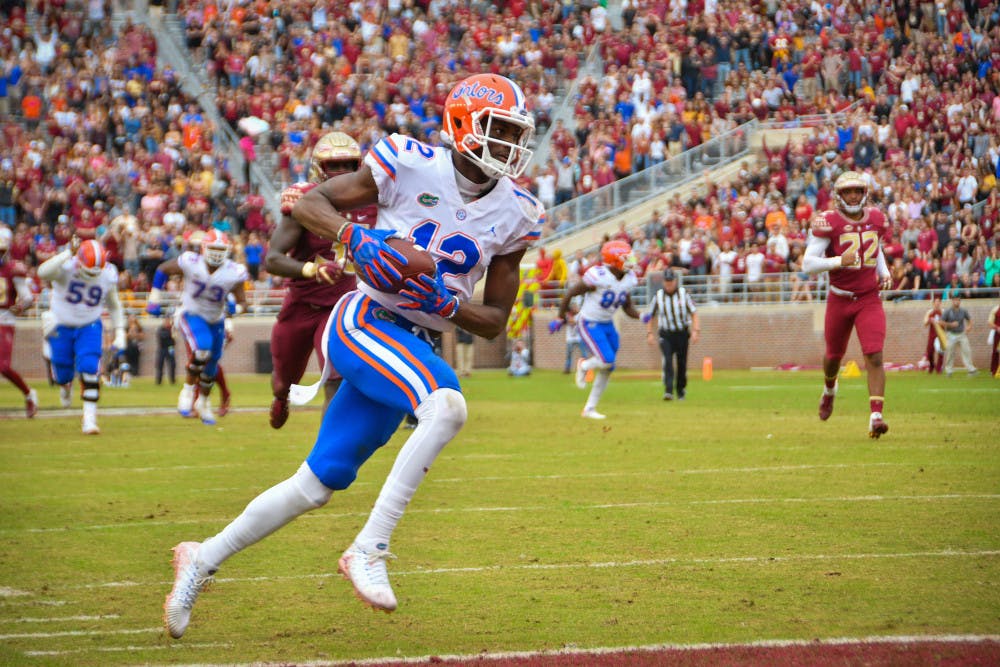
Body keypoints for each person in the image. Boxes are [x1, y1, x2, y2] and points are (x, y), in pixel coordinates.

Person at [163, 73, 542, 639]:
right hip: (363, 319)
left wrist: (448, 302)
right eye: (499, 130)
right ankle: (370, 547)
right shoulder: (409, 160)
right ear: (462, 125)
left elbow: (492, 323)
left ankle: (201, 556)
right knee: (447, 407)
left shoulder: (518, 211)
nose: (511, 145)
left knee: (320, 481)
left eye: (516, 132)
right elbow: (312, 203)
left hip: (413, 340)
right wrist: (354, 237)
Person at [264, 131, 376, 428]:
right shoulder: (303, 202)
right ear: (318, 168)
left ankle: (327, 454)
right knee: (282, 381)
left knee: (336, 380)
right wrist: (311, 270)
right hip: (301, 305)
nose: (341, 173)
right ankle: (281, 396)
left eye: (348, 165)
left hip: (341, 307)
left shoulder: (373, 204)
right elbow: (272, 259)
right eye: (333, 166)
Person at [803, 171, 893, 439]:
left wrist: (883, 271)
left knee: (875, 355)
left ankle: (876, 416)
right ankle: (830, 389)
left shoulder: (876, 218)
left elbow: (874, 248)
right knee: (833, 357)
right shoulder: (828, 221)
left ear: (864, 193)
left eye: (856, 191)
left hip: (868, 297)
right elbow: (807, 264)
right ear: (838, 195)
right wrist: (838, 261)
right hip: (839, 298)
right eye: (847, 192)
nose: (853, 196)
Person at [147, 230, 248, 425]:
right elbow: (163, 269)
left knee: (211, 366)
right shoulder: (191, 262)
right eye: (213, 249)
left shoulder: (234, 271)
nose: (217, 253)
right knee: (202, 349)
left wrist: (236, 308)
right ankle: (186, 393)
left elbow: (243, 302)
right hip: (191, 313)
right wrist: (154, 297)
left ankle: (203, 402)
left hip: (216, 319)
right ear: (204, 248)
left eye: (221, 249)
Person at [38, 239, 125, 434]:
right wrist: (67, 252)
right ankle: (65, 386)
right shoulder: (67, 267)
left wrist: (120, 331)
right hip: (62, 324)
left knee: (89, 367)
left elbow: (114, 304)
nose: (92, 276)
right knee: (63, 372)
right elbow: (42, 272)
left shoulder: (108, 274)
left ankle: (89, 419)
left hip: (90, 325)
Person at [552, 240, 641, 419]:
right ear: (614, 261)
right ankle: (583, 365)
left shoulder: (629, 278)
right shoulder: (598, 276)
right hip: (589, 322)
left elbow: (627, 307)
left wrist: (642, 316)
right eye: (626, 258)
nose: (630, 261)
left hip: (608, 324)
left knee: (609, 366)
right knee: (606, 359)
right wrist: (560, 317)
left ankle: (589, 409)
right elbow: (570, 293)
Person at [0, 226, 38, 417]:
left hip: (4, 319)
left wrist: (19, 308)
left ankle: (29, 393)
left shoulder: (13, 269)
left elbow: (28, 297)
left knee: (3, 367)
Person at [645, 269, 700, 401]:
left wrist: (696, 330)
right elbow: (650, 316)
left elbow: (693, 313)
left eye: (671, 281)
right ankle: (668, 390)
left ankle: (681, 391)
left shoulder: (683, 294)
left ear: (675, 281)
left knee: (682, 363)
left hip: (681, 333)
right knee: (668, 361)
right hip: (666, 334)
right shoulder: (658, 296)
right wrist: (649, 333)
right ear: (663, 282)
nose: (669, 284)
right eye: (666, 281)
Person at [940, 295, 977, 377]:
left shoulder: (963, 311)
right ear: (952, 301)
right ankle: (949, 371)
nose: (957, 302)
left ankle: (971, 370)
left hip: (961, 334)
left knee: (966, 351)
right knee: (950, 353)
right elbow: (941, 322)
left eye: (958, 300)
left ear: (960, 301)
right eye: (955, 300)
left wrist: (969, 327)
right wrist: (950, 324)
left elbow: (969, 320)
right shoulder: (947, 311)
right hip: (951, 334)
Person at [922, 296, 946, 374]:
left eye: (939, 302)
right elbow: (925, 323)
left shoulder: (943, 312)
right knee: (929, 351)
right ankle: (932, 365)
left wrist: (940, 322)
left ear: (940, 303)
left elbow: (947, 324)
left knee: (941, 352)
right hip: (932, 334)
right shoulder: (930, 312)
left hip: (941, 334)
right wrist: (930, 320)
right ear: (933, 303)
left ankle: (939, 368)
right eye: (936, 302)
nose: (937, 304)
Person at [156, 314, 177, 385]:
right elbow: (162, 336)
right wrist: (170, 334)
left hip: (170, 348)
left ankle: (172, 380)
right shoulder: (161, 329)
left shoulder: (172, 329)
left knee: (172, 364)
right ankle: (159, 381)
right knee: (160, 365)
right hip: (162, 349)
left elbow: (174, 340)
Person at [988, 303, 999, 377]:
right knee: (996, 352)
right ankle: (993, 370)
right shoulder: (995, 309)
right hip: (997, 334)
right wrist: (997, 328)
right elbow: (990, 323)